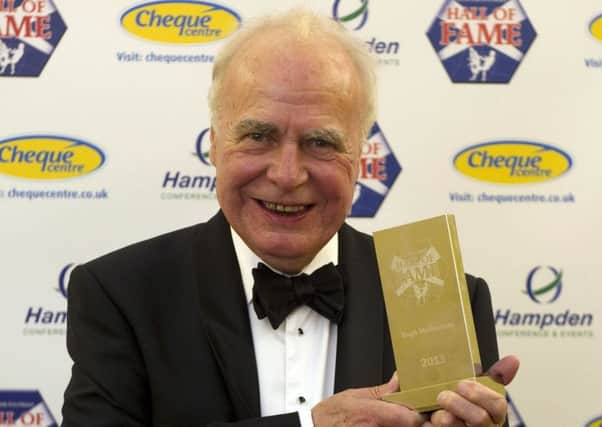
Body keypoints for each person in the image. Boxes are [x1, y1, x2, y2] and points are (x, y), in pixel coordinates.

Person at [62, 8, 518, 427]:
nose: (286, 174)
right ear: (215, 144)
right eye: (258, 135)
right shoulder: (120, 296)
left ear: (360, 156)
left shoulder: (449, 299)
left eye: (320, 142)